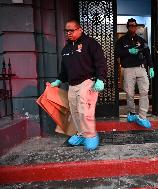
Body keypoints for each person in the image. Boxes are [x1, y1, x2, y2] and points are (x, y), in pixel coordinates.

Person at [50, 19, 107, 151]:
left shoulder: (90, 43)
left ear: (80, 29)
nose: (68, 33)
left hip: (87, 82)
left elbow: (101, 62)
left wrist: (101, 79)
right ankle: (82, 134)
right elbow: (64, 70)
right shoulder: (66, 49)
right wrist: (58, 80)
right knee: (75, 112)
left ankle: (91, 136)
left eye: (71, 30)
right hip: (72, 85)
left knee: (85, 111)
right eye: (66, 31)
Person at [115, 18, 154, 128]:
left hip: (141, 69)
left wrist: (151, 67)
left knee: (144, 92)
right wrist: (128, 51)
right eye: (131, 25)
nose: (133, 27)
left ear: (136, 27)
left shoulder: (142, 41)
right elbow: (116, 53)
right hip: (128, 70)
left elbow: (148, 54)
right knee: (130, 93)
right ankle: (131, 112)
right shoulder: (121, 40)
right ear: (127, 27)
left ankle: (142, 116)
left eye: (134, 25)